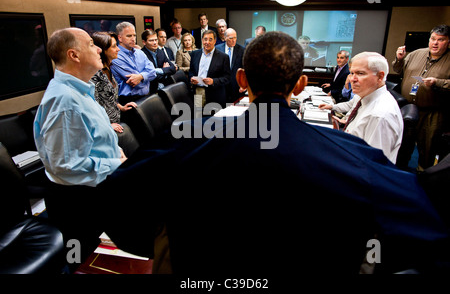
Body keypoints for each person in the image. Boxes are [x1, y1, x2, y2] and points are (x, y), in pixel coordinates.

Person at [105, 31, 449, 276]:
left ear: (241, 79)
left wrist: (168, 243)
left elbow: (116, 200)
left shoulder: (183, 141)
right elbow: (426, 234)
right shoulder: (354, 157)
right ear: (300, 84)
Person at [34, 28, 127, 187]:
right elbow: (67, 165)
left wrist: (116, 152)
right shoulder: (65, 101)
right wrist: (116, 164)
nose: (99, 49)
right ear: (74, 55)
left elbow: (95, 137)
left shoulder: (81, 90)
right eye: (91, 45)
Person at [319, 52, 403, 164]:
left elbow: (372, 167)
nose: (352, 79)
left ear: (380, 76)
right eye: (352, 73)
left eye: (360, 73)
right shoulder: (364, 96)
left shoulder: (379, 115)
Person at [392, 24, 450, 171]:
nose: (435, 43)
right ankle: (399, 175)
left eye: (441, 40)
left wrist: (438, 82)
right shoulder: (416, 53)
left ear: (448, 42)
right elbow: (398, 70)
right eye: (433, 39)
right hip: (408, 110)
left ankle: (424, 178)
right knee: (403, 146)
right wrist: (399, 59)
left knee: (427, 149)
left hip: (432, 113)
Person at [90, 31, 137, 133]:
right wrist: (107, 125)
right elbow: (93, 106)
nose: (118, 49)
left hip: (117, 122)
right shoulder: (94, 74)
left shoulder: (109, 67)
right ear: (103, 50)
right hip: (105, 128)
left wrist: (121, 107)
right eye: (114, 46)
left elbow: (109, 97)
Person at [110, 21, 156, 105]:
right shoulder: (116, 56)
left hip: (146, 97)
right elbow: (134, 82)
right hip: (129, 101)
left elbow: (153, 72)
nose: (133, 38)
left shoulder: (140, 52)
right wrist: (146, 77)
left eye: (134, 35)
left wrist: (141, 76)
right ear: (119, 38)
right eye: (129, 36)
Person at [189, 30, 231, 109]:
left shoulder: (223, 57)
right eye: (205, 39)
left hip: (215, 94)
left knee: (213, 120)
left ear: (215, 41)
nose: (207, 42)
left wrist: (213, 81)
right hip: (198, 91)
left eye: (210, 39)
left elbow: (227, 78)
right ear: (202, 40)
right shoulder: (195, 54)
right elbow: (191, 71)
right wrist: (191, 78)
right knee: (198, 118)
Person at [216, 27, 245, 103]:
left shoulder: (242, 50)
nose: (234, 40)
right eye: (231, 38)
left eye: (235, 38)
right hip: (221, 86)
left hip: (236, 86)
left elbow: (244, 68)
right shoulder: (217, 49)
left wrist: (243, 85)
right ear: (225, 38)